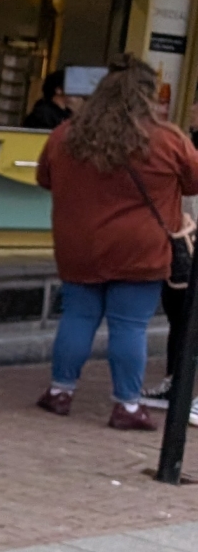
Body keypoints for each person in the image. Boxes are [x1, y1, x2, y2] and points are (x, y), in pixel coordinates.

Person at [32, 58, 198, 431]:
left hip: (79, 243)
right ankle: (126, 405)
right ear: (147, 97)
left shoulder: (66, 135)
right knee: (130, 326)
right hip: (141, 247)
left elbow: (45, 178)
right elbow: (195, 181)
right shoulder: (167, 139)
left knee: (77, 317)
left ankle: (60, 391)